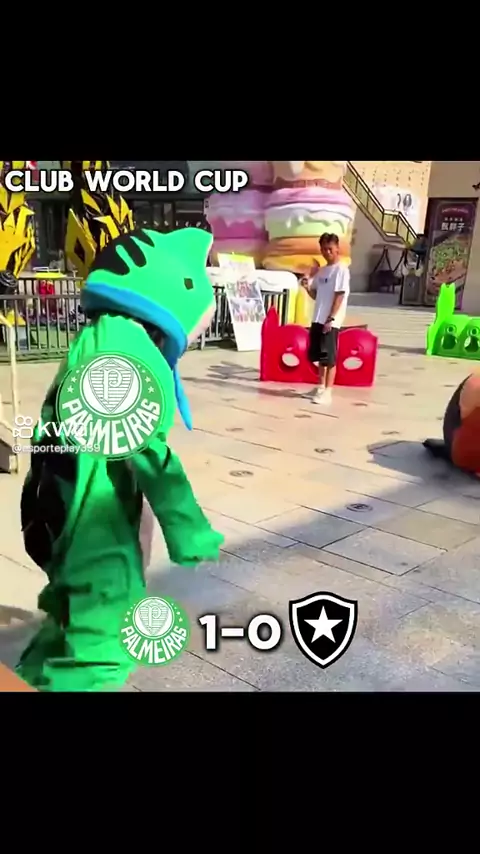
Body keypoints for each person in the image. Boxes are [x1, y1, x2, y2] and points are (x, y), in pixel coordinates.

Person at [17, 227, 224, 692]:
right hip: (93, 524)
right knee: (101, 652)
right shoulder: (125, 347)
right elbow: (147, 446)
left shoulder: (102, 336)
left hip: (65, 508)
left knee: (70, 625)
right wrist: (190, 529)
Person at [301, 233, 350, 406]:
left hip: (331, 321)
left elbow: (339, 295)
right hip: (318, 318)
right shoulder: (322, 271)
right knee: (319, 356)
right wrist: (307, 287)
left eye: (330, 249)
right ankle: (320, 387)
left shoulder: (341, 270)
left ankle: (328, 391)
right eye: (323, 249)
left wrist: (331, 318)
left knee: (329, 358)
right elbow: (316, 294)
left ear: (337, 249)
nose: (327, 252)